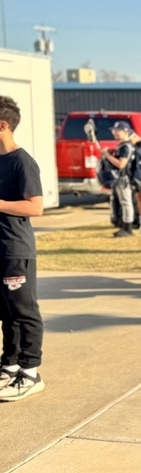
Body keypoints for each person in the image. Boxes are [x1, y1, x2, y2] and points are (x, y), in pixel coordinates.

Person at [0, 96, 45, 402]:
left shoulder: (22, 161)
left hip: (16, 249)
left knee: (24, 311)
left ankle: (30, 372)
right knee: (5, 311)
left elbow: (36, 206)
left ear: (3, 125)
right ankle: (10, 364)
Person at [105, 121, 135, 237]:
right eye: (114, 130)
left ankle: (128, 228)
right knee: (123, 202)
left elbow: (121, 164)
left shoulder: (126, 147)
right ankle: (123, 225)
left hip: (124, 179)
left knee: (126, 202)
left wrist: (107, 155)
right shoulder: (122, 146)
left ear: (126, 131)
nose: (115, 133)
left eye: (118, 130)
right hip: (120, 179)